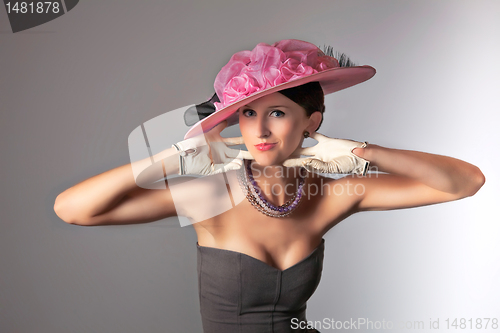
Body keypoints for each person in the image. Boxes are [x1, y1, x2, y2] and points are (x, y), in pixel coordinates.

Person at [54, 39, 485, 333]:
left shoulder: (332, 194)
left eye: (277, 113)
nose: (258, 129)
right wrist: (172, 159)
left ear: (311, 122)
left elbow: (465, 183)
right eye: (246, 114)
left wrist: (363, 152)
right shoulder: (212, 195)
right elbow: (73, 209)